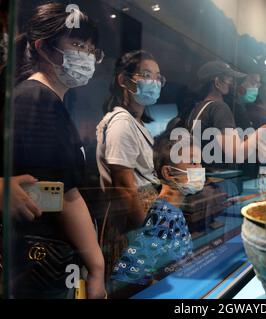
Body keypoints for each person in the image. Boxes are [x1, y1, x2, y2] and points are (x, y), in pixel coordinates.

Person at [12, 3, 105, 299]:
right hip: (41, 262)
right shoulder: (37, 98)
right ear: (44, 48)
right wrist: (97, 267)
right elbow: (63, 194)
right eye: (78, 45)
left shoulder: (46, 98)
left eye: (91, 49)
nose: (87, 56)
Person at [96, 50, 164, 276]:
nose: (153, 82)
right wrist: (144, 237)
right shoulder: (121, 123)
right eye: (146, 74)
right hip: (132, 221)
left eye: (157, 77)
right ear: (124, 80)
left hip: (144, 212)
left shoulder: (136, 123)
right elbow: (125, 188)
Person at [110, 133, 196, 286]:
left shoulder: (172, 211)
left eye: (200, 162)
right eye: (193, 163)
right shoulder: (163, 216)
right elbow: (130, 273)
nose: (200, 169)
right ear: (168, 173)